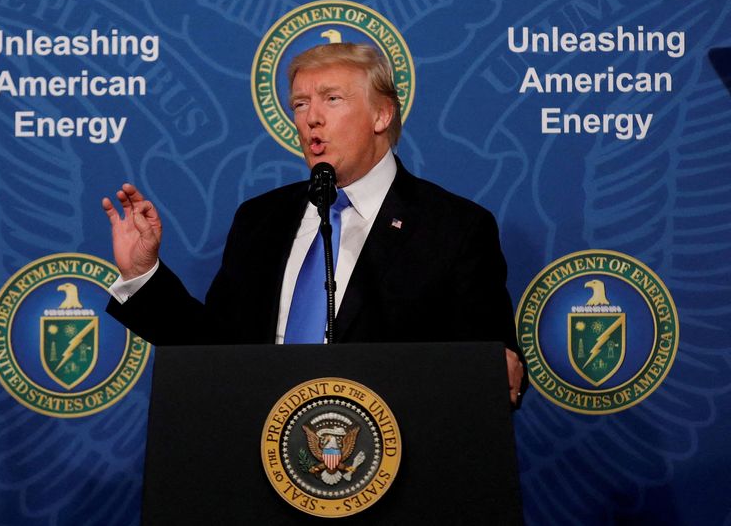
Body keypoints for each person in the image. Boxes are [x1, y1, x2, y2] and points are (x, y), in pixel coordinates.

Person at [102, 43, 526, 405]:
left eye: (332, 99)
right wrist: (142, 275)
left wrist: (488, 368)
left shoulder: (453, 228)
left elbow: (491, 375)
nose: (311, 119)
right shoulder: (260, 220)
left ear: (381, 114)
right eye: (300, 104)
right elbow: (216, 354)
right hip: (265, 465)